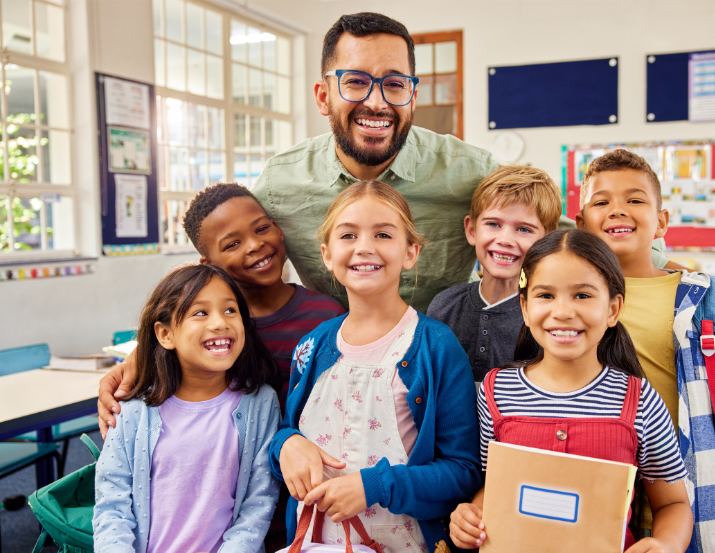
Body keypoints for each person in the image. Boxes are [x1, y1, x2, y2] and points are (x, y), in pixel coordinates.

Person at [250, 12, 673, 313]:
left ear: (413, 96)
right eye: (356, 82)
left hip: (443, 365)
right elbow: (230, 252)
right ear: (324, 96)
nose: (376, 102)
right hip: (333, 360)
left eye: (395, 84)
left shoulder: (468, 171)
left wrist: (688, 283)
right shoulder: (280, 182)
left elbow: (567, 234)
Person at [449, 229, 692, 553]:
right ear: (525, 307)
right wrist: (470, 515)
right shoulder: (496, 390)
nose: (563, 311)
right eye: (546, 295)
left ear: (613, 309)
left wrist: (666, 544)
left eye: (582, 295)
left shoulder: (640, 400)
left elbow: (673, 504)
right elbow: (491, 487)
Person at [271, 180, 481, 553]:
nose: (364, 247)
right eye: (348, 235)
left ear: (411, 252)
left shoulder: (436, 347)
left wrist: (375, 487)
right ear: (327, 254)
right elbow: (288, 434)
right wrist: (285, 444)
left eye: (383, 234)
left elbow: (462, 472)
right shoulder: (312, 346)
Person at [97, 183, 345, 435]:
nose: (254, 245)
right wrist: (138, 359)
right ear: (210, 264)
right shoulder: (214, 329)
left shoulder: (327, 313)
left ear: (278, 230)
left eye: (261, 229)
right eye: (232, 244)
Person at [93, 263, 281, 553]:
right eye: (200, 313)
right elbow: (112, 504)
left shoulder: (260, 403)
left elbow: (259, 502)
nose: (220, 322)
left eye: (230, 310)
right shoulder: (132, 410)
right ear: (165, 334)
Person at [575, 149, 715, 427]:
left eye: (635, 200)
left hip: (683, 461)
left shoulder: (700, 298)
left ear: (661, 223)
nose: (617, 210)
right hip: (600, 455)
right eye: (601, 203)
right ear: (581, 225)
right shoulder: (567, 294)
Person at [427, 165, 561, 381]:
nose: (505, 240)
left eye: (524, 229)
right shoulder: (444, 306)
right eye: (493, 224)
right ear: (472, 231)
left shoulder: (550, 315)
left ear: (546, 242)